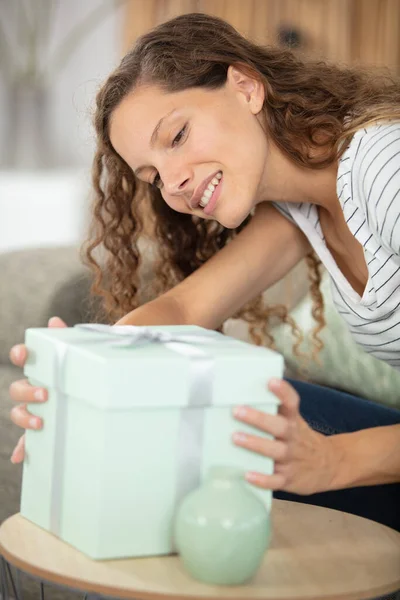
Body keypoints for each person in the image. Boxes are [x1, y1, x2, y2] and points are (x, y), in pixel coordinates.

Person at [8, 13, 400, 531]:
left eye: (177, 136)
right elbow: (185, 308)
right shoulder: (301, 208)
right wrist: (81, 374)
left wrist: (333, 461)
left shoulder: (382, 165)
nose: (173, 185)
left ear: (245, 87)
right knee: (203, 407)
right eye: (152, 177)